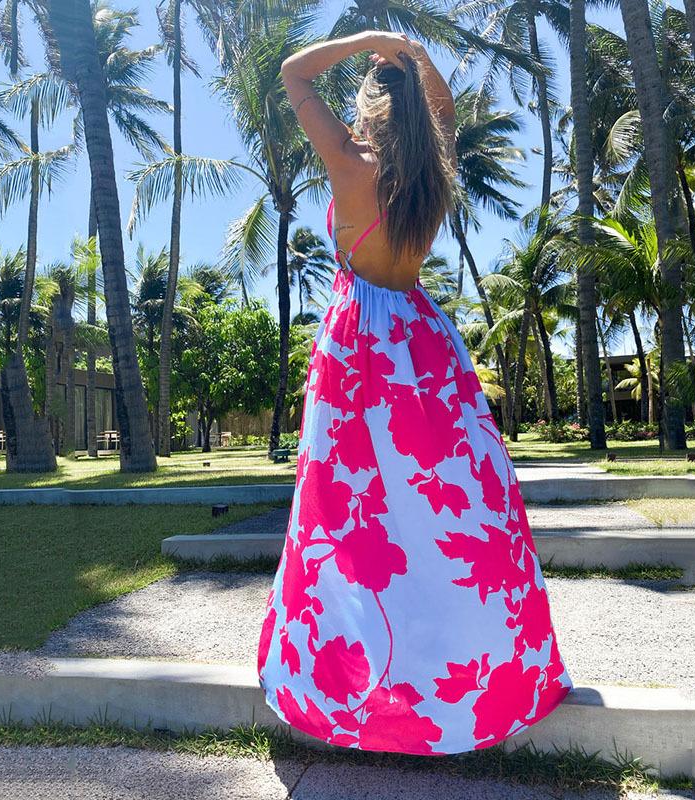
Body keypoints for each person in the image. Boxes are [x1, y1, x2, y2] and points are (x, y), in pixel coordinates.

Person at [257, 30, 573, 756]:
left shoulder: (350, 164)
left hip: (357, 347)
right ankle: (467, 670)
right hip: (424, 344)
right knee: (444, 507)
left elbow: (293, 73)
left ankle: (352, 682)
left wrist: (372, 41)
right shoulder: (431, 176)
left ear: (370, 109)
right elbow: (445, 109)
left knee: (344, 511)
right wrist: (415, 56)